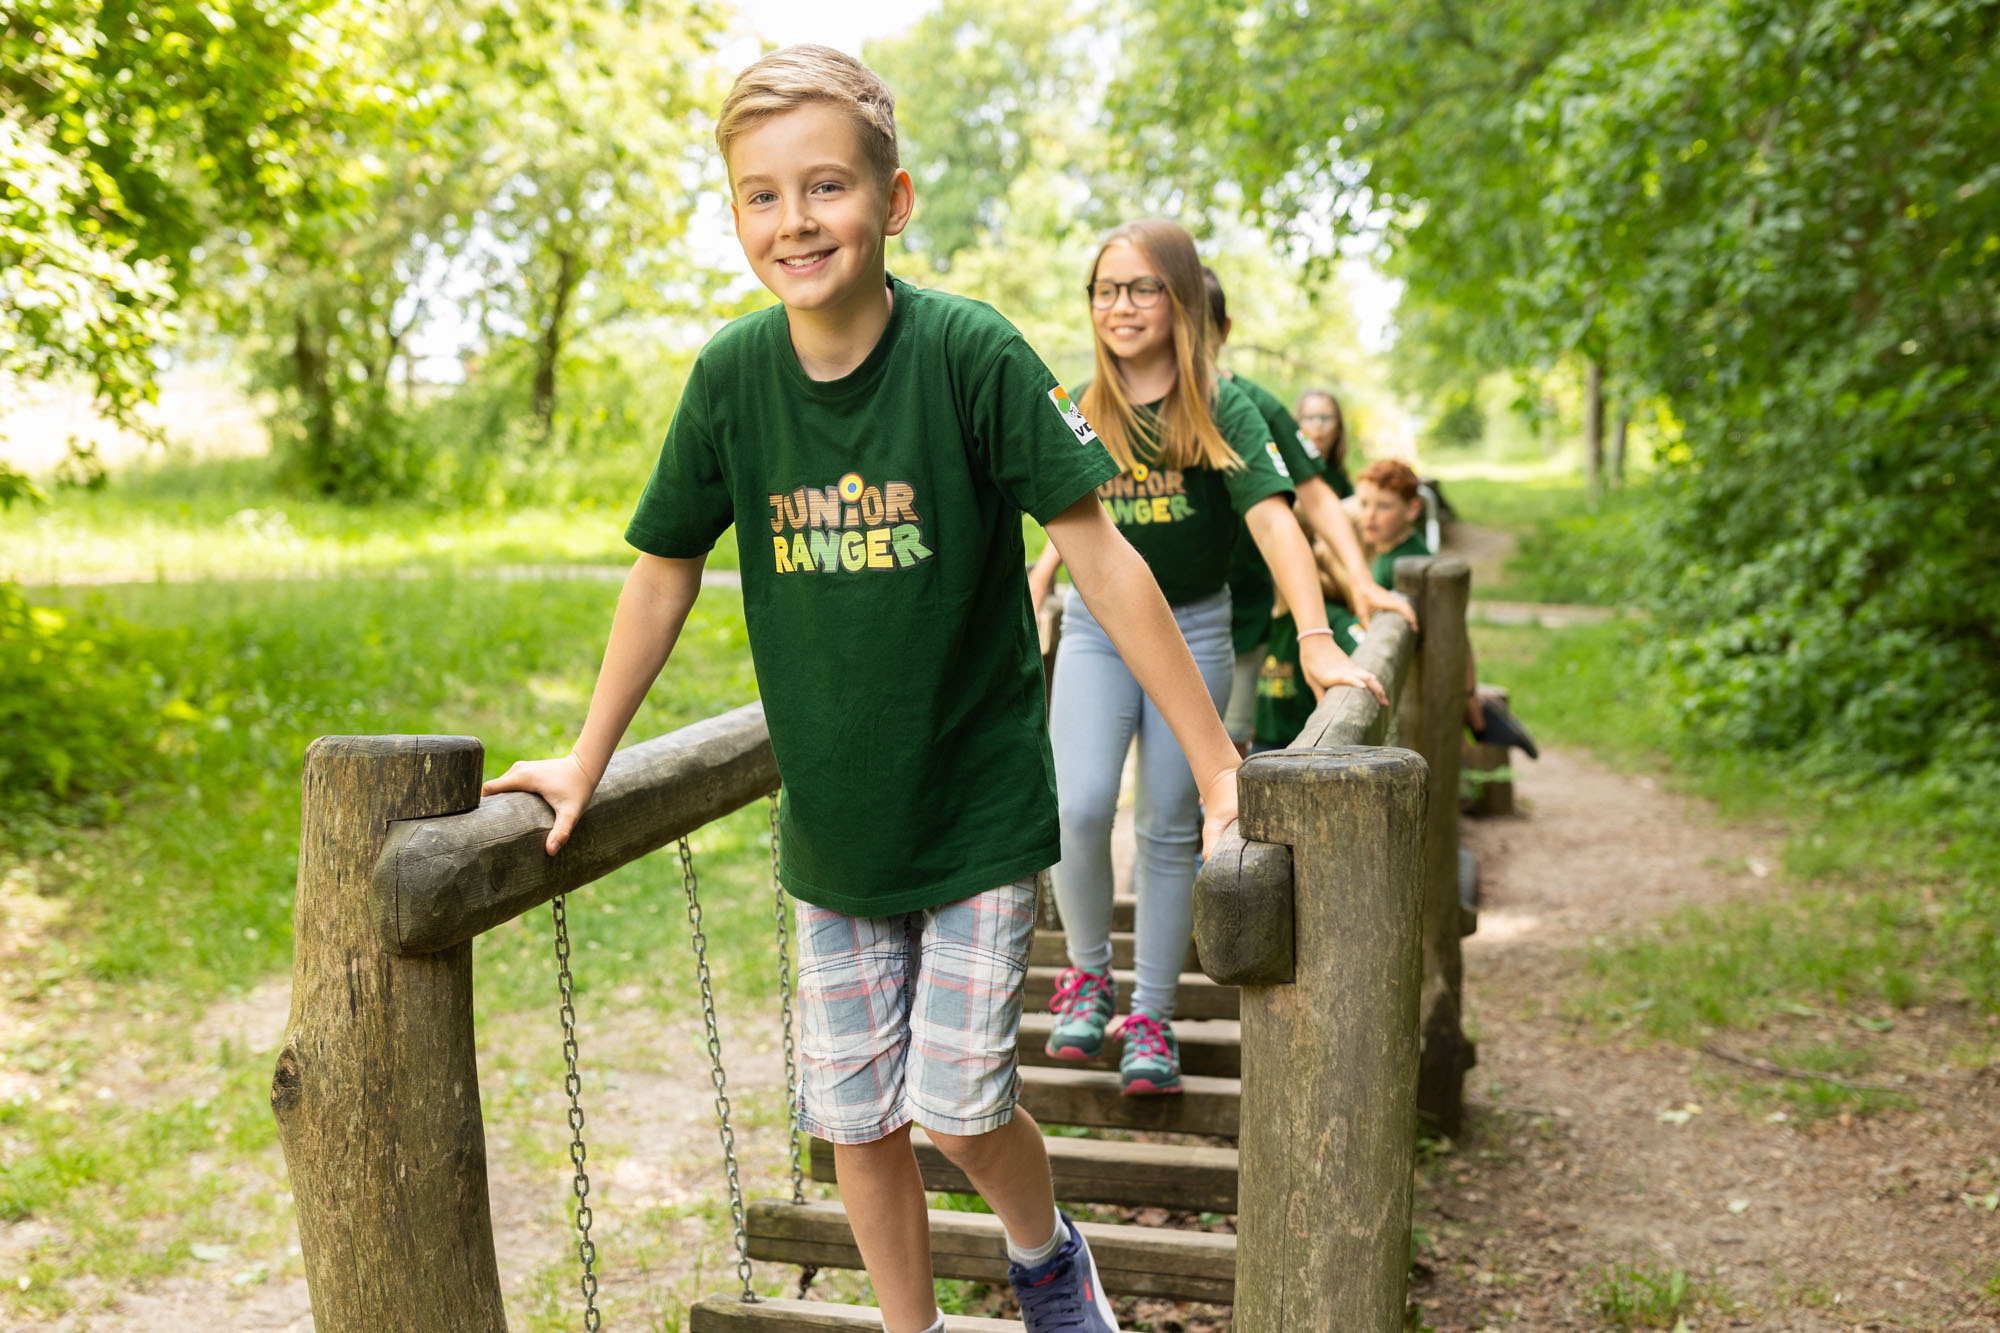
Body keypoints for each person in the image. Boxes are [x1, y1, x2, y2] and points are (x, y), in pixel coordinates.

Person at [480, 47, 1245, 1333]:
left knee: (960, 1110)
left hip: (974, 813)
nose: (793, 220)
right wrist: (584, 756)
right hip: (835, 832)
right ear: (735, 214)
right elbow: (662, 574)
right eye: (761, 194)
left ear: (891, 201)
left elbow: (1104, 565)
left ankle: (1048, 1258)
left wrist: (1216, 765)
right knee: (856, 1123)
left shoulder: (966, 353)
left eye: (825, 186)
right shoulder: (731, 379)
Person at [1026, 220, 1386, 1099]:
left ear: (1182, 299)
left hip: (1194, 628)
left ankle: (1152, 1015)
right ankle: (1086, 975)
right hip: (1096, 630)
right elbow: (1063, 519)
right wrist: (1036, 584)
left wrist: (1316, 636)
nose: (1120, 306)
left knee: (1167, 825)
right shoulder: (1077, 405)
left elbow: (1277, 523)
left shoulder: (1223, 406)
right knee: (1076, 806)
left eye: (1142, 288)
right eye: (1105, 290)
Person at [1201, 268, 1412, 752]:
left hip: (1245, 602)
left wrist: (1361, 582)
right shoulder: (1129, 403)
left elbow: (1316, 498)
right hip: (1165, 600)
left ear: (1223, 330)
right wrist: (1047, 569)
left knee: (1228, 740)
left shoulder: (1251, 406)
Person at [1295, 387, 1355, 498]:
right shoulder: (1283, 471)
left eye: (1325, 418)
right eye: (1310, 418)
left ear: (1338, 426)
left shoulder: (1340, 478)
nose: (1318, 424)